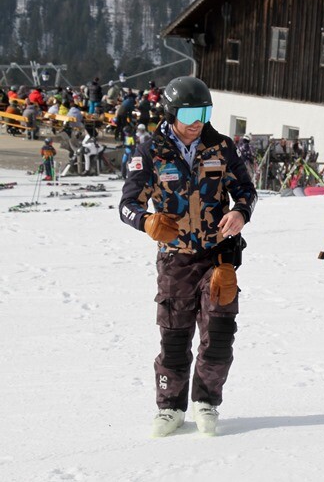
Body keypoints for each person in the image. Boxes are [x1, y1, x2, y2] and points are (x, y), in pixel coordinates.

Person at [119, 76, 257, 438]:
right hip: (175, 262)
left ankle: (206, 401)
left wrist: (241, 211)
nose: (197, 122)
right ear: (171, 112)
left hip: (218, 257)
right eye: (189, 114)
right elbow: (127, 205)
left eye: (204, 113)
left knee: (220, 334)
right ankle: (170, 408)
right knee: (175, 340)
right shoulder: (150, 151)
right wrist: (147, 221)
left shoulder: (221, 147)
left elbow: (246, 190)